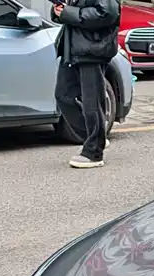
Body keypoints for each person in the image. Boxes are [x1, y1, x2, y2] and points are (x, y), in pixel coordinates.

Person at [52, 0, 120, 169]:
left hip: (93, 48)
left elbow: (107, 13)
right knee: (63, 95)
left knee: (92, 102)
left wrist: (68, 12)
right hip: (72, 48)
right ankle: (96, 137)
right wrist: (59, 11)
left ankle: (94, 152)